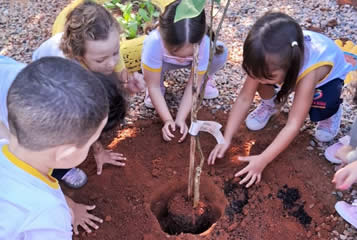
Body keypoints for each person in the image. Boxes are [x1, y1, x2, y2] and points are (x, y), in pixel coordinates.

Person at [208, 12, 354, 188]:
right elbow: (244, 97)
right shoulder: (264, 60)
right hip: (288, 72)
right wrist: (226, 137)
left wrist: (263, 160)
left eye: (267, 77)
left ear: (289, 70)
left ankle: (330, 114)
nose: (258, 79)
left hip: (328, 80)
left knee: (321, 104)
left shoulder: (308, 74)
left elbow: (293, 124)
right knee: (259, 81)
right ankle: (270, 105)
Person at [0, 55, 126, 235]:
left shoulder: (5, 147)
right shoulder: (49, 218)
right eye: (91, 142)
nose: (94, 146)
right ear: (65, 154)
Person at [33, 1, 134, 188]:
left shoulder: (104, 52)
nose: (112, 63)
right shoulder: (70, 76)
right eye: (102, 59)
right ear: (79, 55)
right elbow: (85, 118)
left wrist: (128, 82)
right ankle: (58, 170)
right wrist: (98, 151)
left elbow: (116, 68)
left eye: (115, 52)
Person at [141, 0, 228, 142]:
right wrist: (168, 120)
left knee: (220, 52)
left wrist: (181, 118)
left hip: (194, 62)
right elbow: (153, 86)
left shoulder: (204, 44)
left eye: (189, 54)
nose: (182, 59)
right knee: (154, 81)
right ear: (164, 39)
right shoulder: (154, 43)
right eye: (176, 52)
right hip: (163, 62)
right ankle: (158, 78)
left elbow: (193, 86)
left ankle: (206, 78)